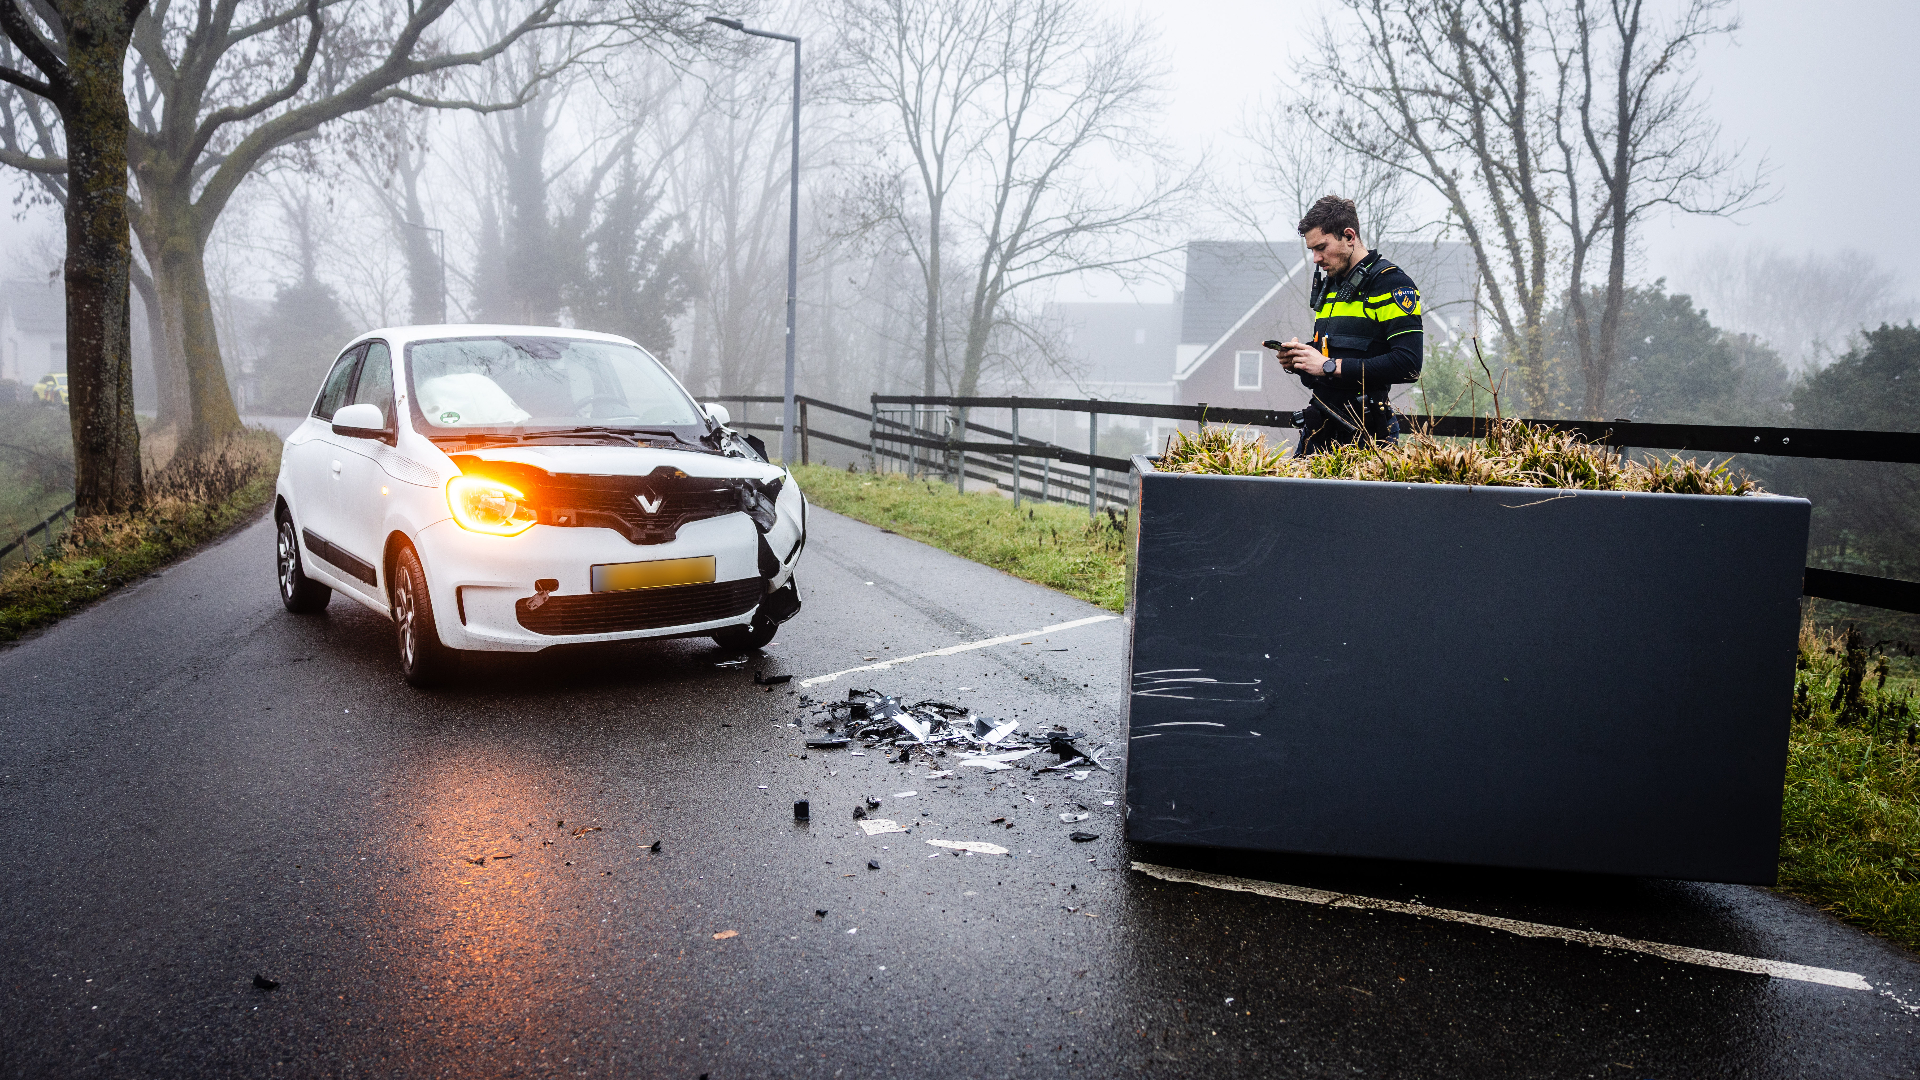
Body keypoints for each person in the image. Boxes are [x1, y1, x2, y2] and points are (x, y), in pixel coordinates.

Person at [1272, 195, 1423, 455]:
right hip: (1318, 429)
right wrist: (1300, 360)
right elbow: (1332, 357)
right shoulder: (1331, 284)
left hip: (1369, 435)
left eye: (1321, 247)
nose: (1316, 258)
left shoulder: (1392, 284)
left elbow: (1408, 365)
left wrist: (1328, 366)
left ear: (1349, 236)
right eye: (1311, 250)